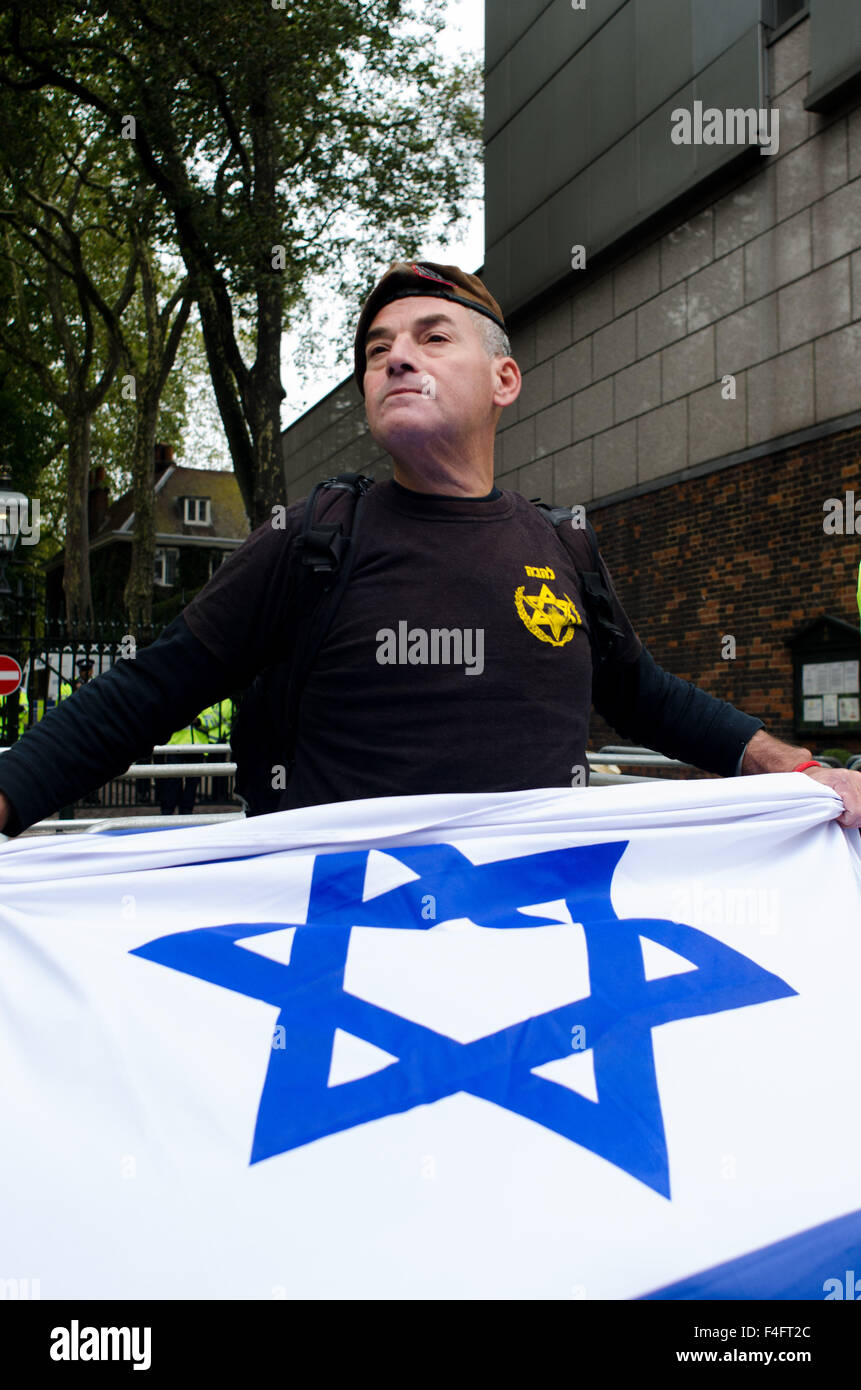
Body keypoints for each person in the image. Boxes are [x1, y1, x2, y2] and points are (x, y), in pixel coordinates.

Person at [0, 260, 860, 837]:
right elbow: (143, 694)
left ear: (503, 380)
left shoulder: (563, 545)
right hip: (349, 946)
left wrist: (798, 769)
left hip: (536, 936)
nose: (394, 360)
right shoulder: (310, 541)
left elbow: (643, 697)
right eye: (377, 351)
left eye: (430, 338)